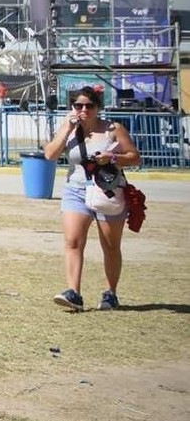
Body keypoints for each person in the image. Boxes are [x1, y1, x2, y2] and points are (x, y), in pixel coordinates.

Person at [42, 86, 141, 311]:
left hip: (107, 190)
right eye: (78, 105)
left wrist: (113, 157)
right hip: (76, 190)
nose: (84, 109)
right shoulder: (68, 129)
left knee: (110, 245)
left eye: (89, 105)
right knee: (73, 241)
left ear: (98, 107)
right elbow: (50, 154)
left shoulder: (112, 129)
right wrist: (67, 128)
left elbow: (135, 158)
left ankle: (110, 293)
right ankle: (74, 292)